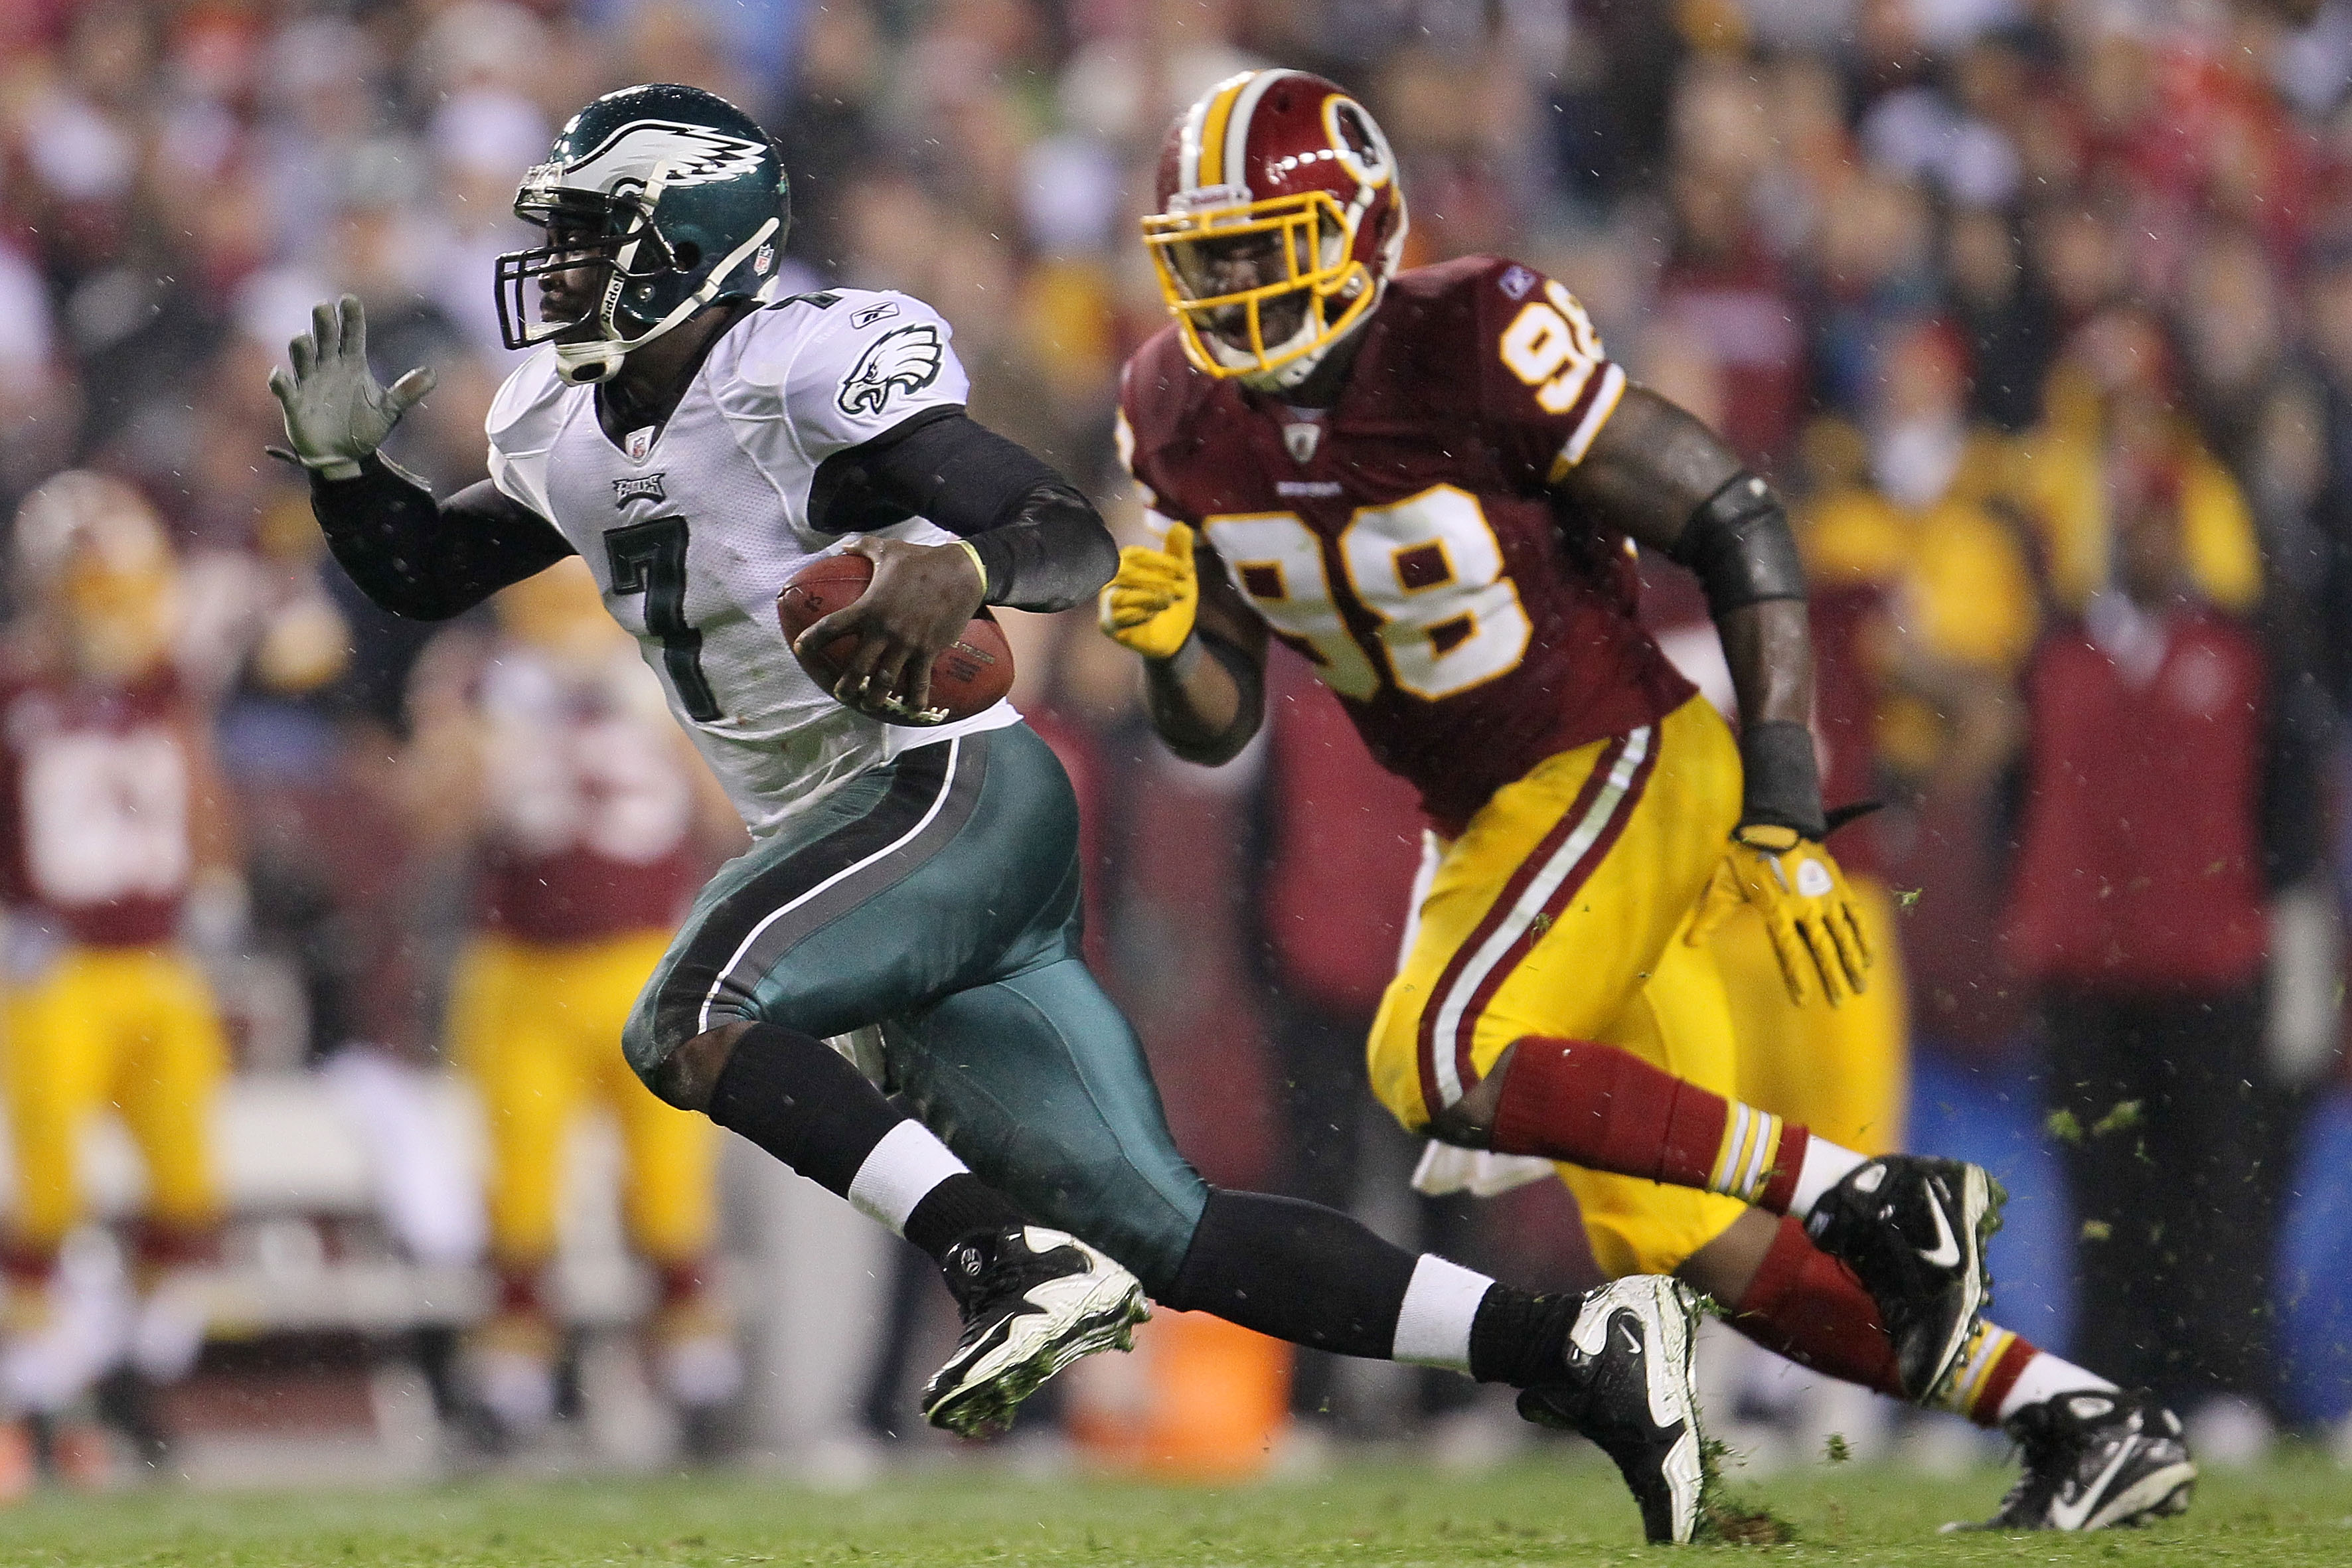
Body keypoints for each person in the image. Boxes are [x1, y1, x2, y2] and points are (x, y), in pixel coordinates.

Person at [268, 82, 1715, 1543]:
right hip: (864, 842)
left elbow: (1065, 534)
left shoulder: (799, 377)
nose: (560, 266)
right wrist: (343, 478)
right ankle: (1576, 1347)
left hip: (949, 787)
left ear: (689, 244)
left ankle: (1001, 1262)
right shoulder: (561, 426)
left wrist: (964, 570)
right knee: (1172, 1227)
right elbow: (423, 571)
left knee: (689, 1014)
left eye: (594, 234)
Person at [1101, 68, 2193, 1532]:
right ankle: (2076, 1416)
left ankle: (1862, 1190)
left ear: (1359, 230)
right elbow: (1217, 714)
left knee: (1435, 1049)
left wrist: (1785, 791)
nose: (1232, 286)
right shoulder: (1175, 409)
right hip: (1490, 825)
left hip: (1619, 753)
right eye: (1208, 254)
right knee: (1685, 1241)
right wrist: (1173, 647)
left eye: (1263, 244)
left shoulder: (1470, 335)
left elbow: (1732, 512)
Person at [402, 559, 747, 1456]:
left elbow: (734, 817)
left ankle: (696, 1384)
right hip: (522, 965)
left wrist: (670, 727)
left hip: (649, 963)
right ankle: (512, 1389)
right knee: (518, 1194)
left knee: (670, 1191)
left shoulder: (674, 661)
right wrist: (487, 744)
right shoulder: (477, 675)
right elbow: (429, 822)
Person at [0, 473, 238, 1484]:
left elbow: (198, 780)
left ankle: (138, 1379)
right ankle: (35, 1399)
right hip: (52, 971)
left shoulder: (163, 681)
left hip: (158, 962)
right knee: (45, 1196)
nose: (110, 611)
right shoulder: (16, 689)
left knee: (189, 1190)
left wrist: (216, 883)